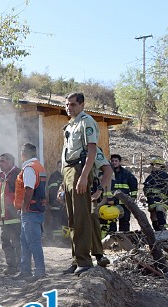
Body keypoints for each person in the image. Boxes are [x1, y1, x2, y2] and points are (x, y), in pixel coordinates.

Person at [61, 92, 101, 275]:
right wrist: (63, 182)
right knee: (71, 219)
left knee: (82, 217)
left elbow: (91, 151)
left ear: (82, 105)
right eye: (67, 104)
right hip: (68, 171)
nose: (69, 108)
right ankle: (76, 259)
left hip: (79, 169)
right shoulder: (70, 124)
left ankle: (85, 260)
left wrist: (84, 177)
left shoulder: (86, 121)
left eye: (73, 104)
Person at [12, 143, 47, 282]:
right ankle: (25, 270)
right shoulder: (39, 167)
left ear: (23, 154)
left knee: (32, 242)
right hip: (36, 209)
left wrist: (24, 206)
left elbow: (29, 189)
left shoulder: (29, 168)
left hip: (30, 211)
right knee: (25, 242)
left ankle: (40, 272)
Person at [0, 153, 21, 275]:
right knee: (5, 242)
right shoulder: (1, 177)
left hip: (15, 217)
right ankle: (11, 267)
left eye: (2, 161)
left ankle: (21, 267)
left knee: (17, 242)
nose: (0, 164)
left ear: (10, 161)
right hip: (4, 217)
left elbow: (22, 194)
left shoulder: (18, 174)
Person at [143, 156, 168, 231]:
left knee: (159, 209)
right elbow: (145, 189)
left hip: (163, 200)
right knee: (153, 217)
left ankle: (163, 227)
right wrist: (148, 195)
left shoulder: (166, 177)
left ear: (161, 166)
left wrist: (161, 196)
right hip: (152, 200)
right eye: (153, 165)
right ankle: (157, 231)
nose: (154, 167)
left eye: (156, 165)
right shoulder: (149, 178)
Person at [109, 154, 138, 232]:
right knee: (111, 223)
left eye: (116, 161)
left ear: (120, 162)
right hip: (112, 203)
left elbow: (134, 187)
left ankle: (124, 241)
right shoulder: (107, 173)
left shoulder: (127, 174)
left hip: (124, 204)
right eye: (112, 161)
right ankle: (113, 240)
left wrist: (132, 198)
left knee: (124, 223)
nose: (114, 163)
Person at [46, 160, 67, 243]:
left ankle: (65, 239)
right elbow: (52, 191)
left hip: (65, 204)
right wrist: (54, 203)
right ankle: (58, 240)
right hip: (55, 203)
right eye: (59, 167)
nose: (61, 168)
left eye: (62, 167)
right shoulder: (53, 177)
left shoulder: (67, 176)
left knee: (65, 222)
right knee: (56, 222)